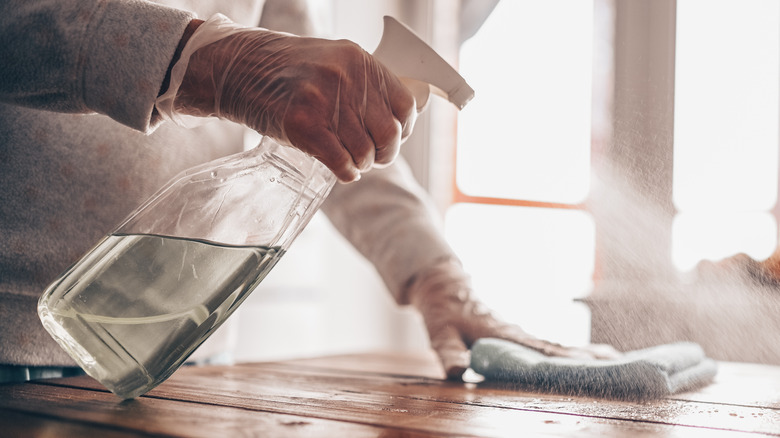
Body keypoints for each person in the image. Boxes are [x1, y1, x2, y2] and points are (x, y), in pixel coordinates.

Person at [0, 0, 616, 384]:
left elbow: (330, 135)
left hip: (184, 354)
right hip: (13, 342)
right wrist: (214, 63)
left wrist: (435, 275)